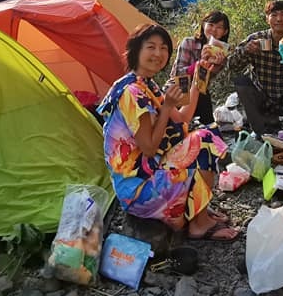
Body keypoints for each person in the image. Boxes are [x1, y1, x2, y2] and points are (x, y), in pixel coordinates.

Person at [98, 24, 239, 241]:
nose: (158, 54)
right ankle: (199, 224)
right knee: (204, 140)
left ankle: (197, 212)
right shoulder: (132, 92)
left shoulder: (146, 84)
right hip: (139, 190)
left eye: (163, 48)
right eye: (151, 47)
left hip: (149, 174)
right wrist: (165, 108)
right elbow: (148, 148)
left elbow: (183, 117)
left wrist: (200, 78)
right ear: (136, 51)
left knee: (199, 137)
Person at [227, 0, 283, 134]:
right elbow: (231, 65)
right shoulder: (257, 39)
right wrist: (246, 50)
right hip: (261, 97)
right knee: (241, 81)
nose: (279, 19)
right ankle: (259, 129)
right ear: (267, 19)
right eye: (274, 15)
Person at [170, 10, 231, 126]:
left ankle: (208, 134)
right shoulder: (189, 43)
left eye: (219, 27)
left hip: (200, 90)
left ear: (225, 32)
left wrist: (216, 68)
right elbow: (178, 74)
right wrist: (200, 63)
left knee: (203, 95)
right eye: (210, 25)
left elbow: (207, 83)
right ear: (203, 25)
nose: (213, 30)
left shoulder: (222, 52)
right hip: (179, 87)